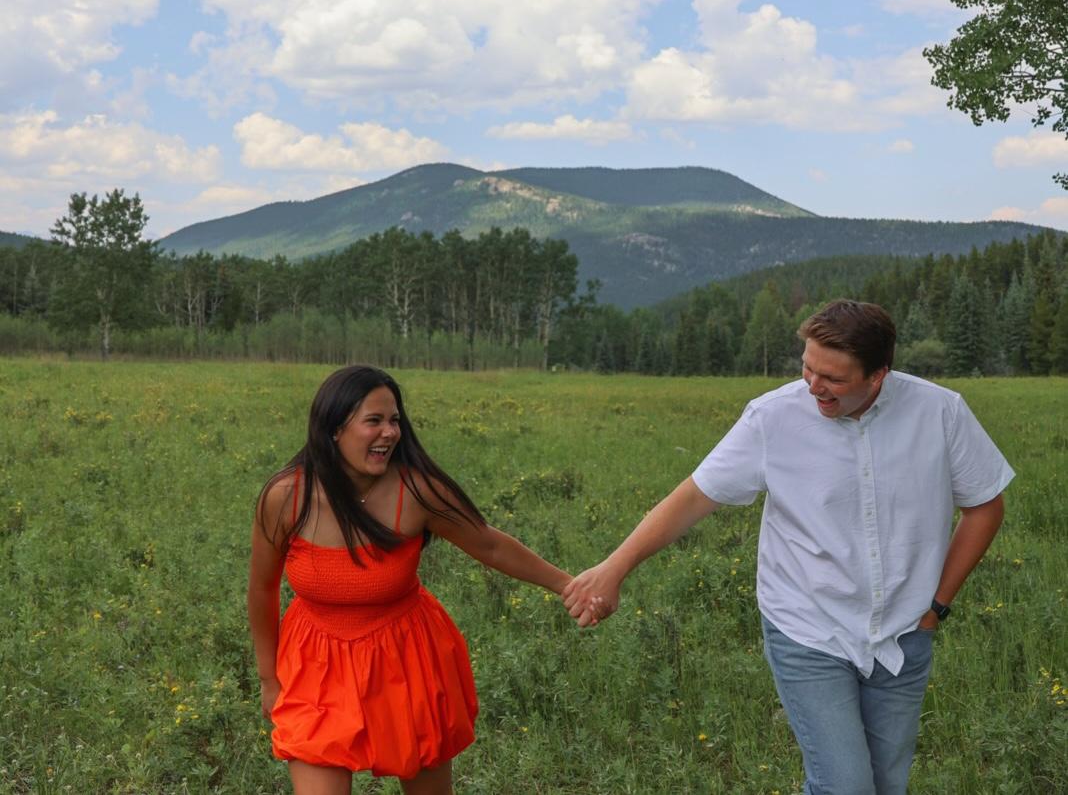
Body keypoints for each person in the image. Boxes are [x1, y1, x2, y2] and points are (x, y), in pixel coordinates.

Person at [563, 299, 1014, 795]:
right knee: (845, 785)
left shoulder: (939, 412)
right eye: (808, 368)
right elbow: (693, 497)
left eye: (834, 379)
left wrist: (935, 607)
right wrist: (615, 566)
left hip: (905, 632)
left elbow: (985, 507)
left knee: (887, 783)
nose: (814, 386)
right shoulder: (772, 418)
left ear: (878, 375)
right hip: (808, 628)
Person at [249, 365, 572, 795]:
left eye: (395, 420)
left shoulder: (418, 492)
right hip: (317, 665)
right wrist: (270, 679)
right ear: (333, 429)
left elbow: (490, 546)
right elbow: (262, 588)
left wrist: (570, 586)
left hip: (405, 660)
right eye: (374, 421)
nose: (389, 433)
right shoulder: (287, 497)